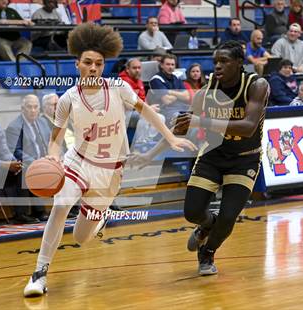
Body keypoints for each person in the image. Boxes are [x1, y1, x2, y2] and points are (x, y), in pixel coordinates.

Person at [23, 22, 196, 297]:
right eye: (88, 62)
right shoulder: (68, 98)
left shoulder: (118, 88)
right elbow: (55, 139)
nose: (93, 68)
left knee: (82, 238)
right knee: (61, 205)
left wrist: (171, 138)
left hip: (109, 172)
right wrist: (53, 159)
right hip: (77, 162)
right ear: (77, 64)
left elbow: (148, 111)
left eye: (99, 63)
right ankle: (39, 273)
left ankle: (99, 217)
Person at [129, 40, 270, 276]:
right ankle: (205, 226)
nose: (217, 66)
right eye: (215, 61)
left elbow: (247, 127)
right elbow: (181, 128)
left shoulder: (257, 85)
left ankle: (208, 252)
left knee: (227, 217)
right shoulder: (206, 92)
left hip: (245, 159)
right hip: (213, 155)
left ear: (239, 63)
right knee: (192, 212)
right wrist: (148, 155)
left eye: (224, 61)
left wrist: (201, 121)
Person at [6, 94, 51, 222]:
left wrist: (51, 157)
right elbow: (15, 150)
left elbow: (48, 144)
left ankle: (71, 208)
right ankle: (23, 213)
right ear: (22, 109)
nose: (32, 110)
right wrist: (35, 162)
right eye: (29, 107)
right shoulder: (14, 126)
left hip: (42, 161)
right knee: (28, 170)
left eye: (35, 107)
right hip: (22, 163)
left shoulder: (42, 123)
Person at [149, 54, 191, 125]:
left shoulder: (176, 78)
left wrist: (169, 91)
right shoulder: (156, 79)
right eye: (168, 64)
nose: (170, 67)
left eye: (172, 64)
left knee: (196, 118)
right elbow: (167, 101)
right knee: (181, 118)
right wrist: (179, 94)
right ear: (162, 65)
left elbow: (187, 96)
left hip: (182, 107)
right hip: (165, 110)